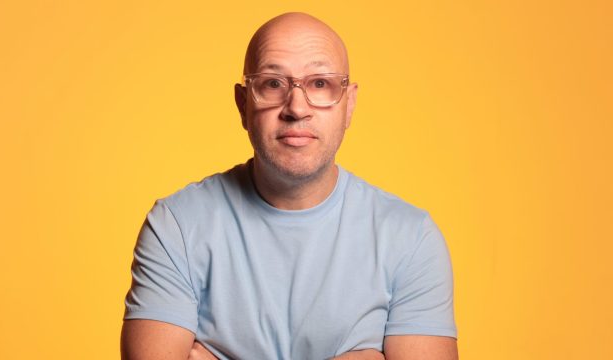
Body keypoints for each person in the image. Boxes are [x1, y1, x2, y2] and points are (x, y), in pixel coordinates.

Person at [121, 12, 458, 360]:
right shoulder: (176, 226)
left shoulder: (410, 237)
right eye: (272, 83)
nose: (297, 108)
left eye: (320, 84)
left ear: (349, 104)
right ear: (243, 103)